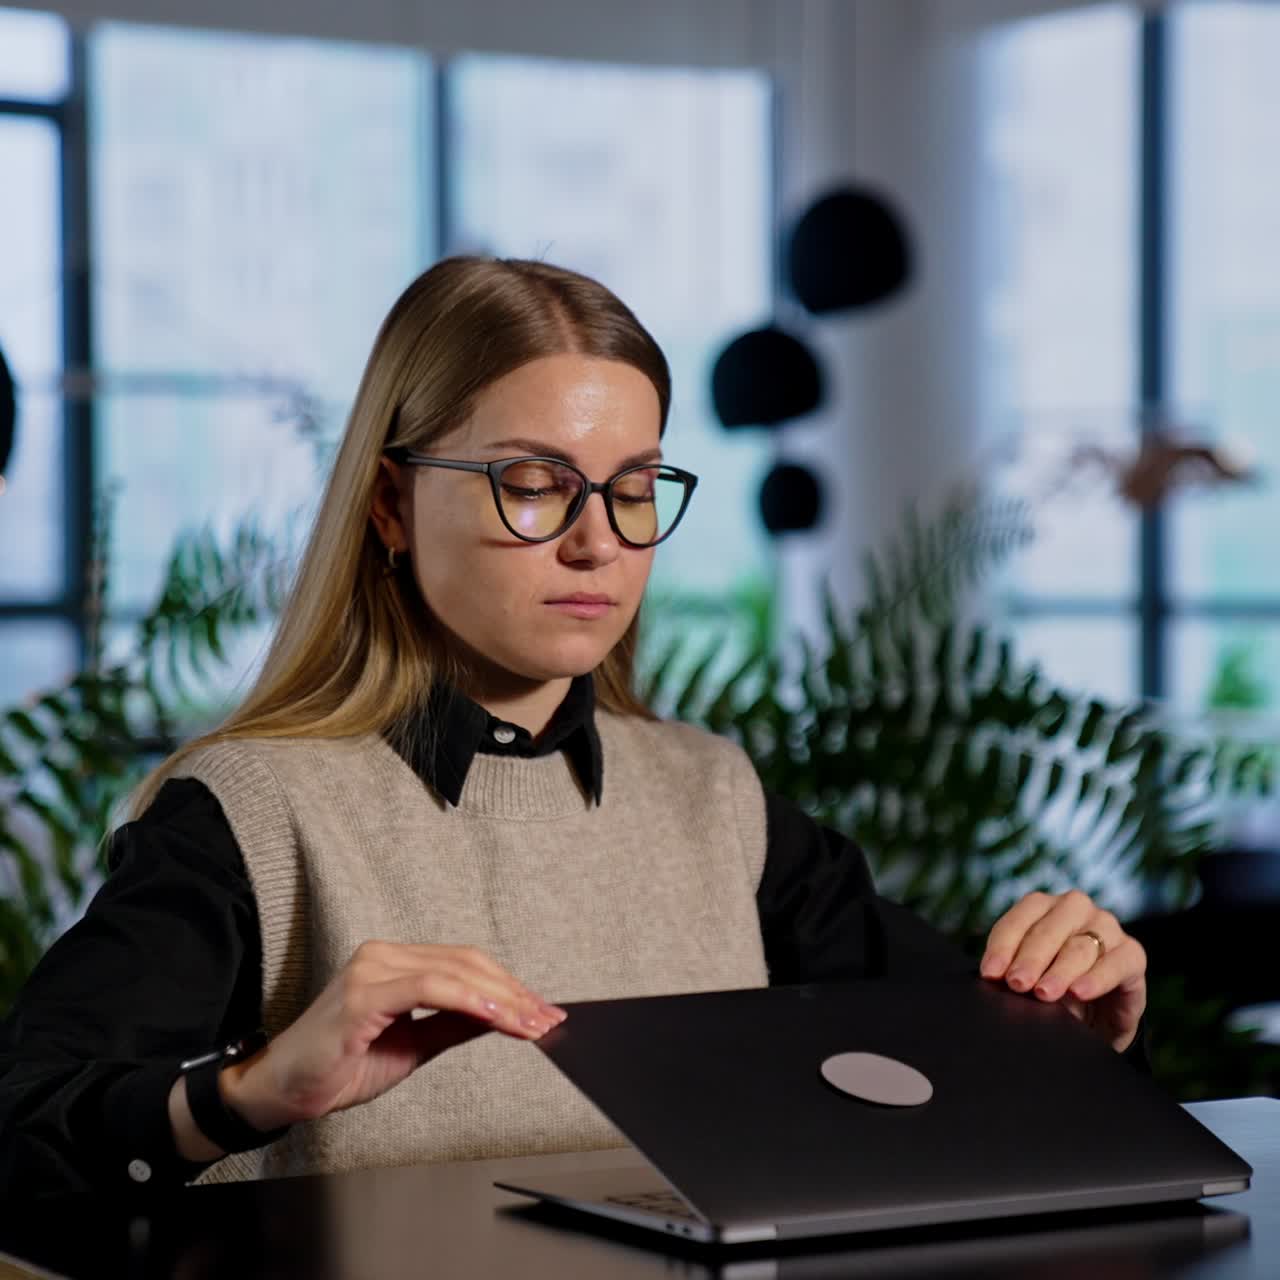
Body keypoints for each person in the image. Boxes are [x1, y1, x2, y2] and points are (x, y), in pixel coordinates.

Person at [0, 257, 1148, 1199]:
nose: (598, 541)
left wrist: (1063, 1027)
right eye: (533, 482)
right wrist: (245, 1089)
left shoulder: (717, 804)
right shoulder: (249, 815)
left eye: (634, 485)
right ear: (392, 505)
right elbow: (24, 1124)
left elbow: (943, 1078)